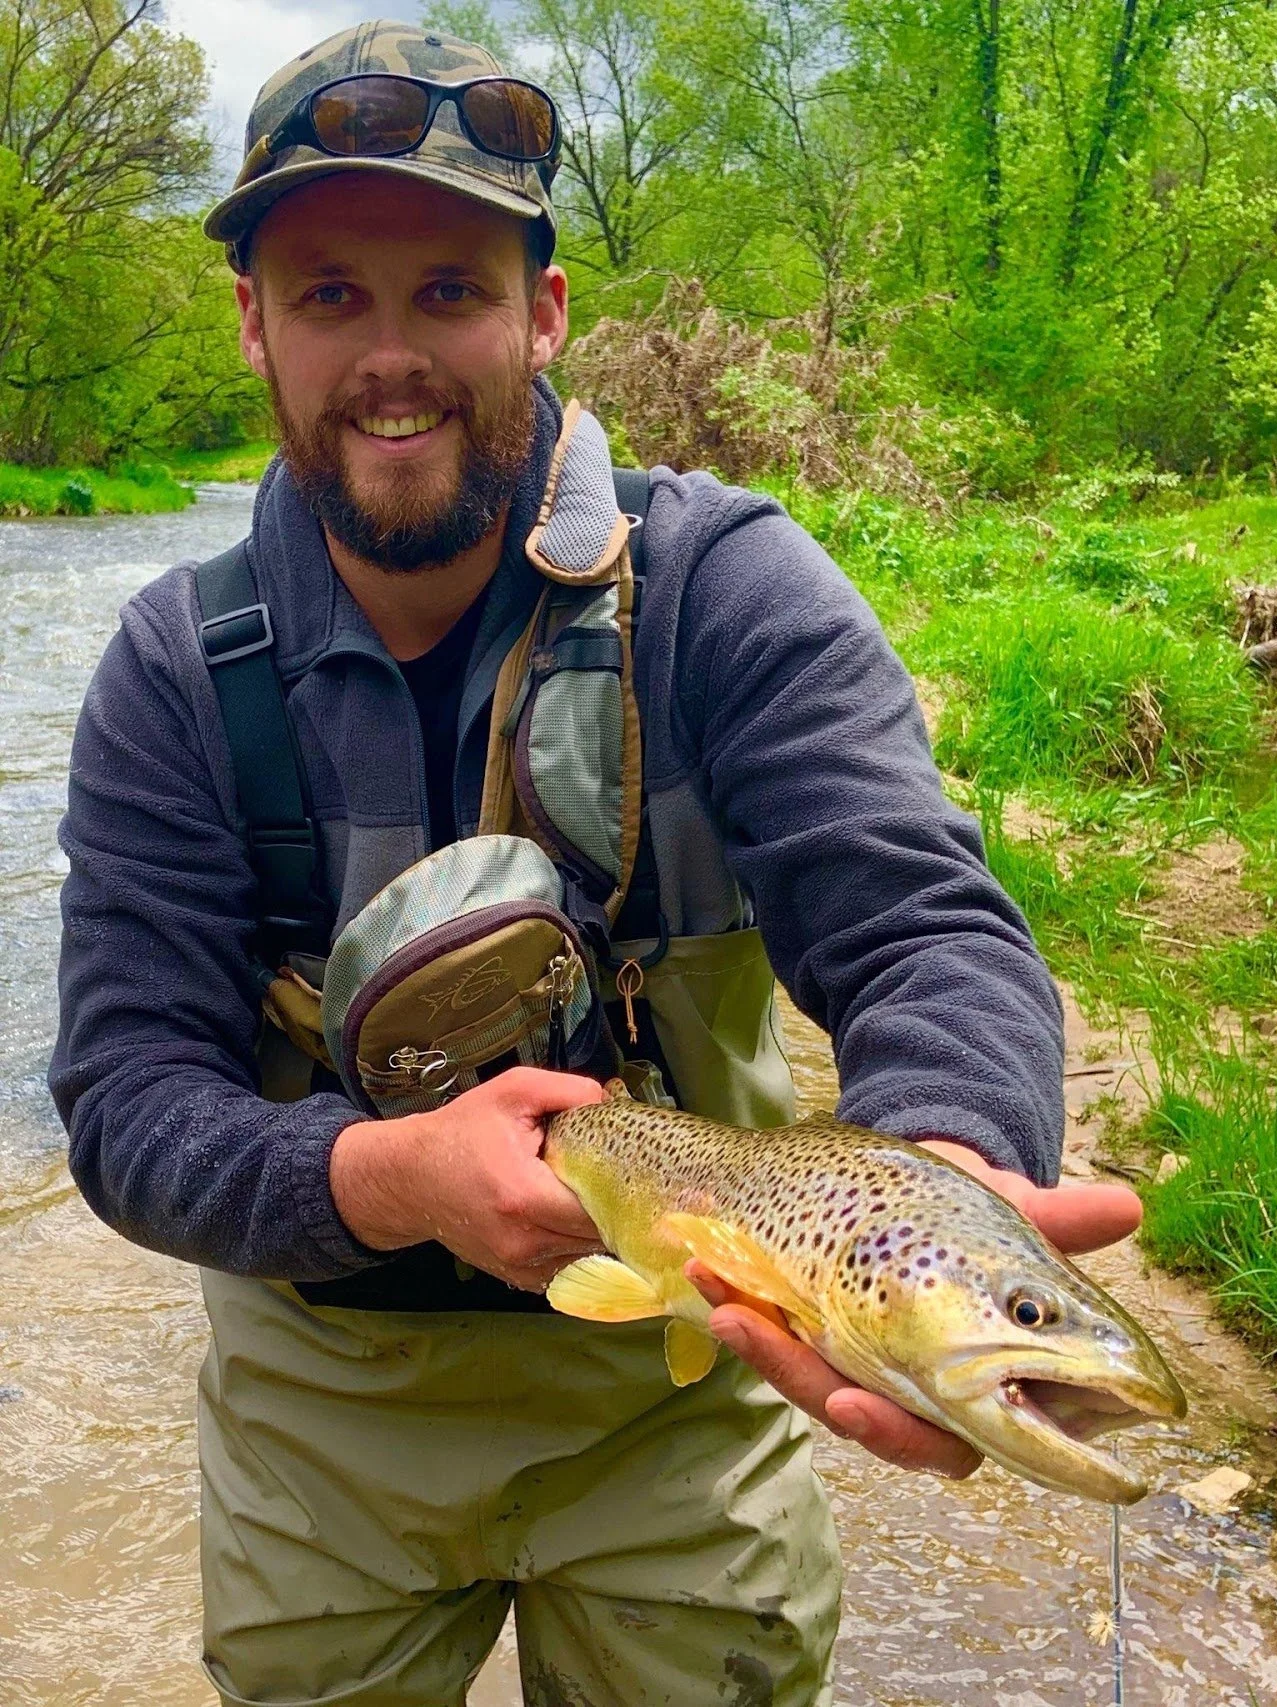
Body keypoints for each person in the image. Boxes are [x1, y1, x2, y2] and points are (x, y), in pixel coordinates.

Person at [49, 20, 1141, 1707]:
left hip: (676, 1393)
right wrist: (388, 1178)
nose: (393, 356)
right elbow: (122, 1101)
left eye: (453, 292)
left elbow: (923, 923)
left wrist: (945, 1175)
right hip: (322, 1399)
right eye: (332, 293)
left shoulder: (728, 592)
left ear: (545, 313)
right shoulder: (172, 675)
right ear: (254, 329)